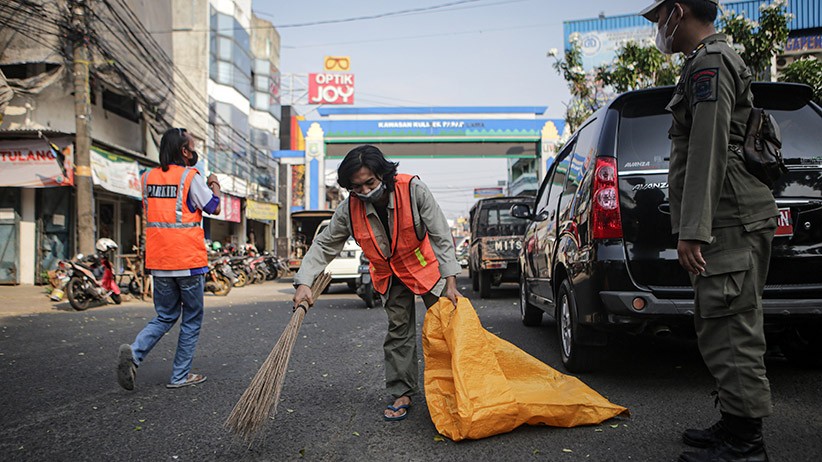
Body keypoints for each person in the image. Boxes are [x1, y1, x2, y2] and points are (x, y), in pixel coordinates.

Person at [640, 1, 779, 461]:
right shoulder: (703, 63)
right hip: (726, 218)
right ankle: (735, 423)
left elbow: (707, 149)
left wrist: (693, 230)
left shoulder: (710, 63)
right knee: (720, 323)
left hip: (727, 219)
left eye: (659, 18)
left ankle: (745, 446)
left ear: (679, 12)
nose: (659, 28)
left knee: (731, 327)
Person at [292, 144, 462, 421]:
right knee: (398, 333)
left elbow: (441, 235)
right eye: (356, 187)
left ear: (384, 174)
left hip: (426, 269)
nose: (365, 190)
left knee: (448, 324)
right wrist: (304, 282)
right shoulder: (350, 208)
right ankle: (402, 392)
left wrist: (451, 281)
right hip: (389, 273)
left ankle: (456, 385)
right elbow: (324, 245)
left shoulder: (413, 190)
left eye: (370, 182)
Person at [117, 127, 221, 390]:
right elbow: (213, 207)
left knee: (165, 315)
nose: (195, 150)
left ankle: (136, 352)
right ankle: (179, 376)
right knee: (191, 318)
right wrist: (214, 184)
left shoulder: (147, 177)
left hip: (159, 261)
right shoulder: (190, 176)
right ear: (184, 152)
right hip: (187, 260)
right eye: (193, 146)